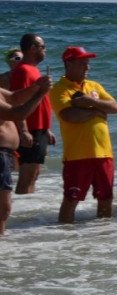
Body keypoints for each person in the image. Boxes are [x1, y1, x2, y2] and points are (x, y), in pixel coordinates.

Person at [50, 46, 117, 224]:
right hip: (77, 155)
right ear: (69, 63)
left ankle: (103, 236)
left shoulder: (94, 86)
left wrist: (89, 101)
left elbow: (114, 107)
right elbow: (70, 116)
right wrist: (97, 111)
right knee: (71, 199)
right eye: (82, 62)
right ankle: (65, 238)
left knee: (106, 198)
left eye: (87, 62)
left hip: (104, 153)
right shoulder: (59, 89)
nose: (87, 66)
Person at [0, 74, 52, 234]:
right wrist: (41, 93)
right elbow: (18, 113)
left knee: (3, 208)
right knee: (3, 208)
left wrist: (36, 85)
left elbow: (15, 97)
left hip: (6, 154)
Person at [10, 33, 57, 195]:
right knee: (27, 176)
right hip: (30, 129)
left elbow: (39, 101)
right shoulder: (23, 70)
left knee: (34, 173)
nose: (45, 50)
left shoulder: (33, 70)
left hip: (39, 129)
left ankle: (29, 217)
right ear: (32, 48)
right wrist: (23, 130)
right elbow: (17, 101)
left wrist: (47, 129)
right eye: (42, 47)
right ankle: (19, 217)